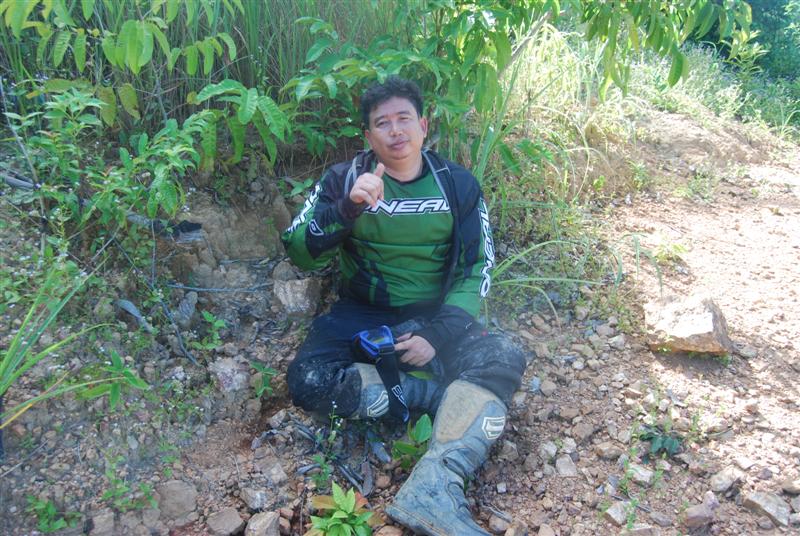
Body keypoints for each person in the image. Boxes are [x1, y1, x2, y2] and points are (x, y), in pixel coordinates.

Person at [281, 76, 526, 536]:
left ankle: (436, 484)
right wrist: (345, 210)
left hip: (434, 313)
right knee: (308, 381)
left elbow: (477, 268)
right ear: (368, 135)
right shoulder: (343, 178)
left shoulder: (457, 184)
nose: (395, 131)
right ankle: (437, 397)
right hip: (363, 311)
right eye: (382, 123)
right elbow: (298, 251)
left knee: (504, 356)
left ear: (423, 125)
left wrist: (437, 335)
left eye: (404, 119)